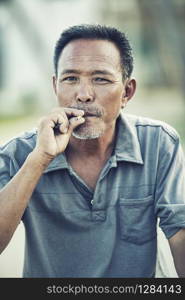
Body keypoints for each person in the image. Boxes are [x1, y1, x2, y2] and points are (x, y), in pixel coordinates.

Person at [0, 24, 185, 278]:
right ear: (55, 87)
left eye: (100, 79)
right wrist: (39, 160)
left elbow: (180, 233)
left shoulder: (159, 144)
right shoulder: (20, 153)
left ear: (127, 92)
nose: (84, 95)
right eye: (70, 78)